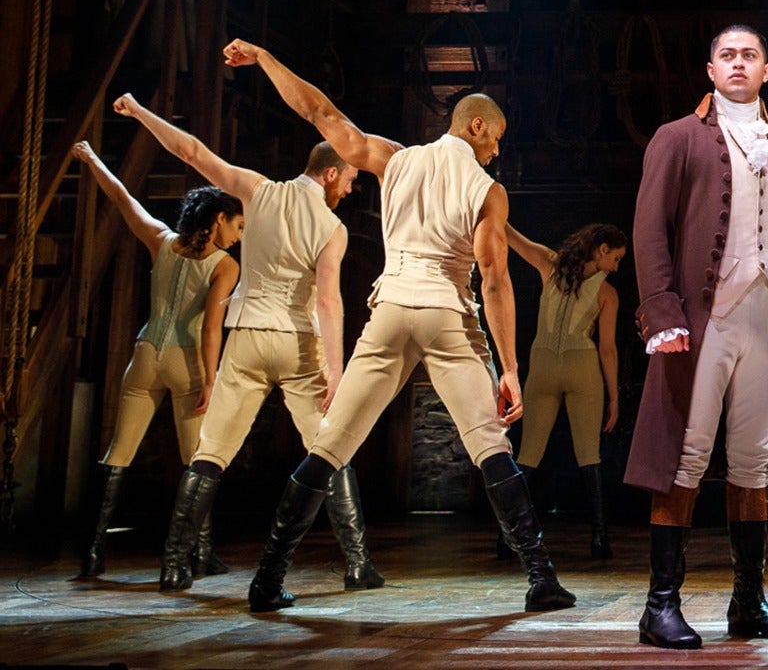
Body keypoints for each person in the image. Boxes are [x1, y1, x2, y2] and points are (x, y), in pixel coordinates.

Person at [223, 39, 573, 614]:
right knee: (489, 444)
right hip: (445, 311)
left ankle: (266, 578)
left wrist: (264, 59)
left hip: (389, 311)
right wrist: (508, 368)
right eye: (497, 139)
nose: (496, 152)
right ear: (476, 125)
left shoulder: (394, 158)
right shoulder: (488, 191)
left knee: (331, 443)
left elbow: (321, 113)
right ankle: (541, 578)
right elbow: (494, 281)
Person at [112, 93, 382, 595]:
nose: (350, 187)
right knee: (331, 449)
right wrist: (336, 368)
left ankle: (174, 566)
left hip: (248, 338)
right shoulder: (333, 227)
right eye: (349, 179)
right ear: (329, 173)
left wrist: (140, 113)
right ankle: (358, 564)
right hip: (300, 344)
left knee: (211, 452)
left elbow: (194, 153)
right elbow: (327, 302)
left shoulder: (258, 192)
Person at [625, 25, 768, 649]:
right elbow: (648, 230)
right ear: (710, 69)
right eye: (729, 56)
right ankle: (659, 605)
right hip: (703, 319)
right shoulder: (679, 137)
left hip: (766, 316)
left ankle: (747, 602)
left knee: (754, 460)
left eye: (751, 55)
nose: (740, 64)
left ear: (767, 70)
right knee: (687, 455)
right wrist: (662, 310)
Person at [70, 141, 240, 581]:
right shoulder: (224, 265)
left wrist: (92, 159)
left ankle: (92, 554)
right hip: (186, 362)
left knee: (118, 454)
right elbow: (209, 329)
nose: (239, 234)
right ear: (218, 220)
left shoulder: (161, 241)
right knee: (199, 460)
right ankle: (193, 555)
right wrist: (210, 380)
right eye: (237, 225)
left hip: (144, 356)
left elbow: (123, 198)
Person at [503, 222, 627, 560]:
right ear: (602, 250)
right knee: (590, 455)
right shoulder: (607, 293)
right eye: (615, 258)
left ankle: (510, 539)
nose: (616, 267)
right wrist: (614, 397)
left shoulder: (549, 263)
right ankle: (599, 539)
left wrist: (481, 200)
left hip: (541, 365)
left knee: (527, 455)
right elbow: (607, 349)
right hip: (582, 367)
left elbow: (512, 235)